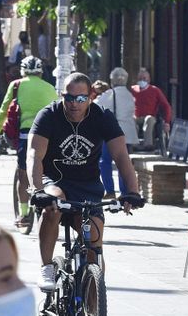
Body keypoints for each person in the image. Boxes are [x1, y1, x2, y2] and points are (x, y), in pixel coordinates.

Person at [29, 72, 143, 291]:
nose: (74, 104)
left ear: (91, 96)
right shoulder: (48, 115)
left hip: (87, 185)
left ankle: (93, 311)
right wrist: (36, 189)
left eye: (80, 98)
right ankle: (46, 266)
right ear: (62, 95)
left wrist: (132, 192)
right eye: (69, 98)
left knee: (94, 250)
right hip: (54, 179)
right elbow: (35, 155)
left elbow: (121, 156)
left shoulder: (102, 117)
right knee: (53, 203)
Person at [0, 58, 57, 231]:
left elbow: (5, 108)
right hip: (48, 137)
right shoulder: (50, 87)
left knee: (23, 175)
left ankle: (23, 214)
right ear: (41, 72)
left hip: (25, 135)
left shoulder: (16, 85)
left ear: (22, 71)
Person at [130, 67, 172, 151]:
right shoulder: (132, 90)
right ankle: (133, 145)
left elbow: (166, 106)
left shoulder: (155, 90)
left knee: (149, 119)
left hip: (150, 116)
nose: (142, 80)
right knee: (131, 120)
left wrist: (167, 122)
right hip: (136, 116)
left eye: (144, 78)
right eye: (140, 78)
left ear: (149, 79)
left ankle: (148, 145)